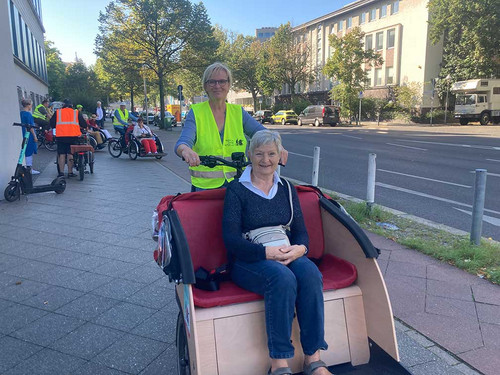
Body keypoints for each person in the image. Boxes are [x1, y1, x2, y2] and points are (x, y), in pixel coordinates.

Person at [222, 130, 332, 375]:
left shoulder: (286, 188)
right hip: (249, 258)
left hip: (285, 250)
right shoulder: (236, 190)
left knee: (310, 274)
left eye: (271, 153)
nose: (265, 160)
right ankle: (279, 364)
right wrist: (267, 253)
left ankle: (313, 359)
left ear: (280, 156)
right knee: (282, 278)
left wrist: (301, 249)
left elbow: (301, 232)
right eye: (259, 153)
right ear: (250, 155)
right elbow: (230, 240)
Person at [175, 62, 288, 192]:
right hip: (206, 188)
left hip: (238, 182)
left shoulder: (238, 112)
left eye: (222, 81)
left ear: (228, 85)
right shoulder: (196, 112)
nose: (217, 86)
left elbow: (262, 134)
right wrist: (185, 150)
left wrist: (279, 147)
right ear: (205, 86)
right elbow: (183, 142)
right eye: (212, 82)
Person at [49, 99, 87, 177]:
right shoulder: (76, 113)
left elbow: (52, 124)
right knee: (70, 153)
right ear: (71, 105)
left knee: (62, 154)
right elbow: (84, 124)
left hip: (61, 136)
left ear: (63, 105)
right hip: (73, 136)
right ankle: (70, 172)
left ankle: (61, 173)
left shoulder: (58, 112)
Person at [20, 99, 40, 174]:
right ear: (28, 105)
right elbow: (30, 127)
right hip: (29, 135)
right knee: (29, 151)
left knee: (25, 151)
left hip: (23, 134)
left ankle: (27, 168)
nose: (31, 106)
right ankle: (29, 169)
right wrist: (35, 136)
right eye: (31, 104)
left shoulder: (21, 113)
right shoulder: (28, 115)